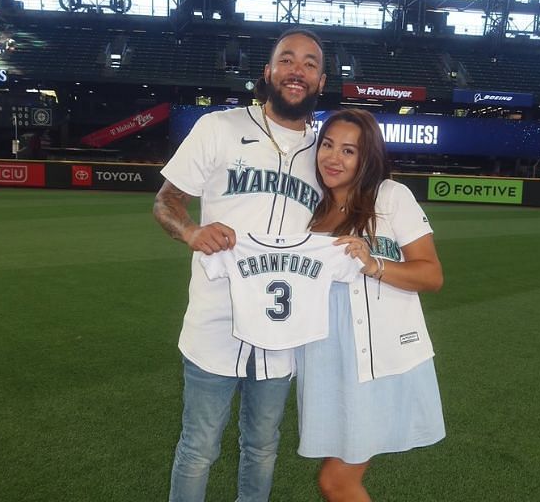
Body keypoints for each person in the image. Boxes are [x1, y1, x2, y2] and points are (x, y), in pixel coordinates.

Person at [153, 27, 326, 502]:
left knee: (263, 446)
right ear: (268, 72)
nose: (298, 70)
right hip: (216, 321)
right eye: (287, 60)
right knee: (199, 447)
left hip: (281, 330)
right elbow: (166, 202)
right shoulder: (220, 127)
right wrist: (191, 232)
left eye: (309, 63)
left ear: (321, 80)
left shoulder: (325, 154)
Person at [298, 109, 445, 501]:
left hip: (381, 358)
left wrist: (374, 264)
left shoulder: (391, 196)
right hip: (325, 360)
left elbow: (431, 275)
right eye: (327, 145)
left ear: (367, 158)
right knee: (336, 477)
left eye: (349, 151)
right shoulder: (309, 206)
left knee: (336, 480)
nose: (333, 158)